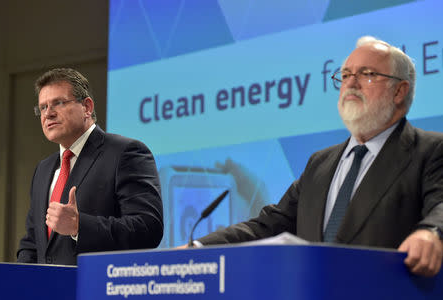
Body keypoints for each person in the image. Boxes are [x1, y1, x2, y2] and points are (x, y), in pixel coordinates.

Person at [185, 36, 443, 277]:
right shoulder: (320, 163)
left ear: (399, 91)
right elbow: (268, 226)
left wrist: (432, 233)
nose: (351, 83)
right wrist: (198, 248)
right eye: (345, 75)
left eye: (368, 74)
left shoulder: (430, 150)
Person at [17, 68, 163, 265]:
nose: (48, 114)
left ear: (87, 107)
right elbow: (33, 242)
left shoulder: (125, 153)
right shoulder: (43, 170)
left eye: (58, 103)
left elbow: (148, 228)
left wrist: (79, 225)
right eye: (42, 107)